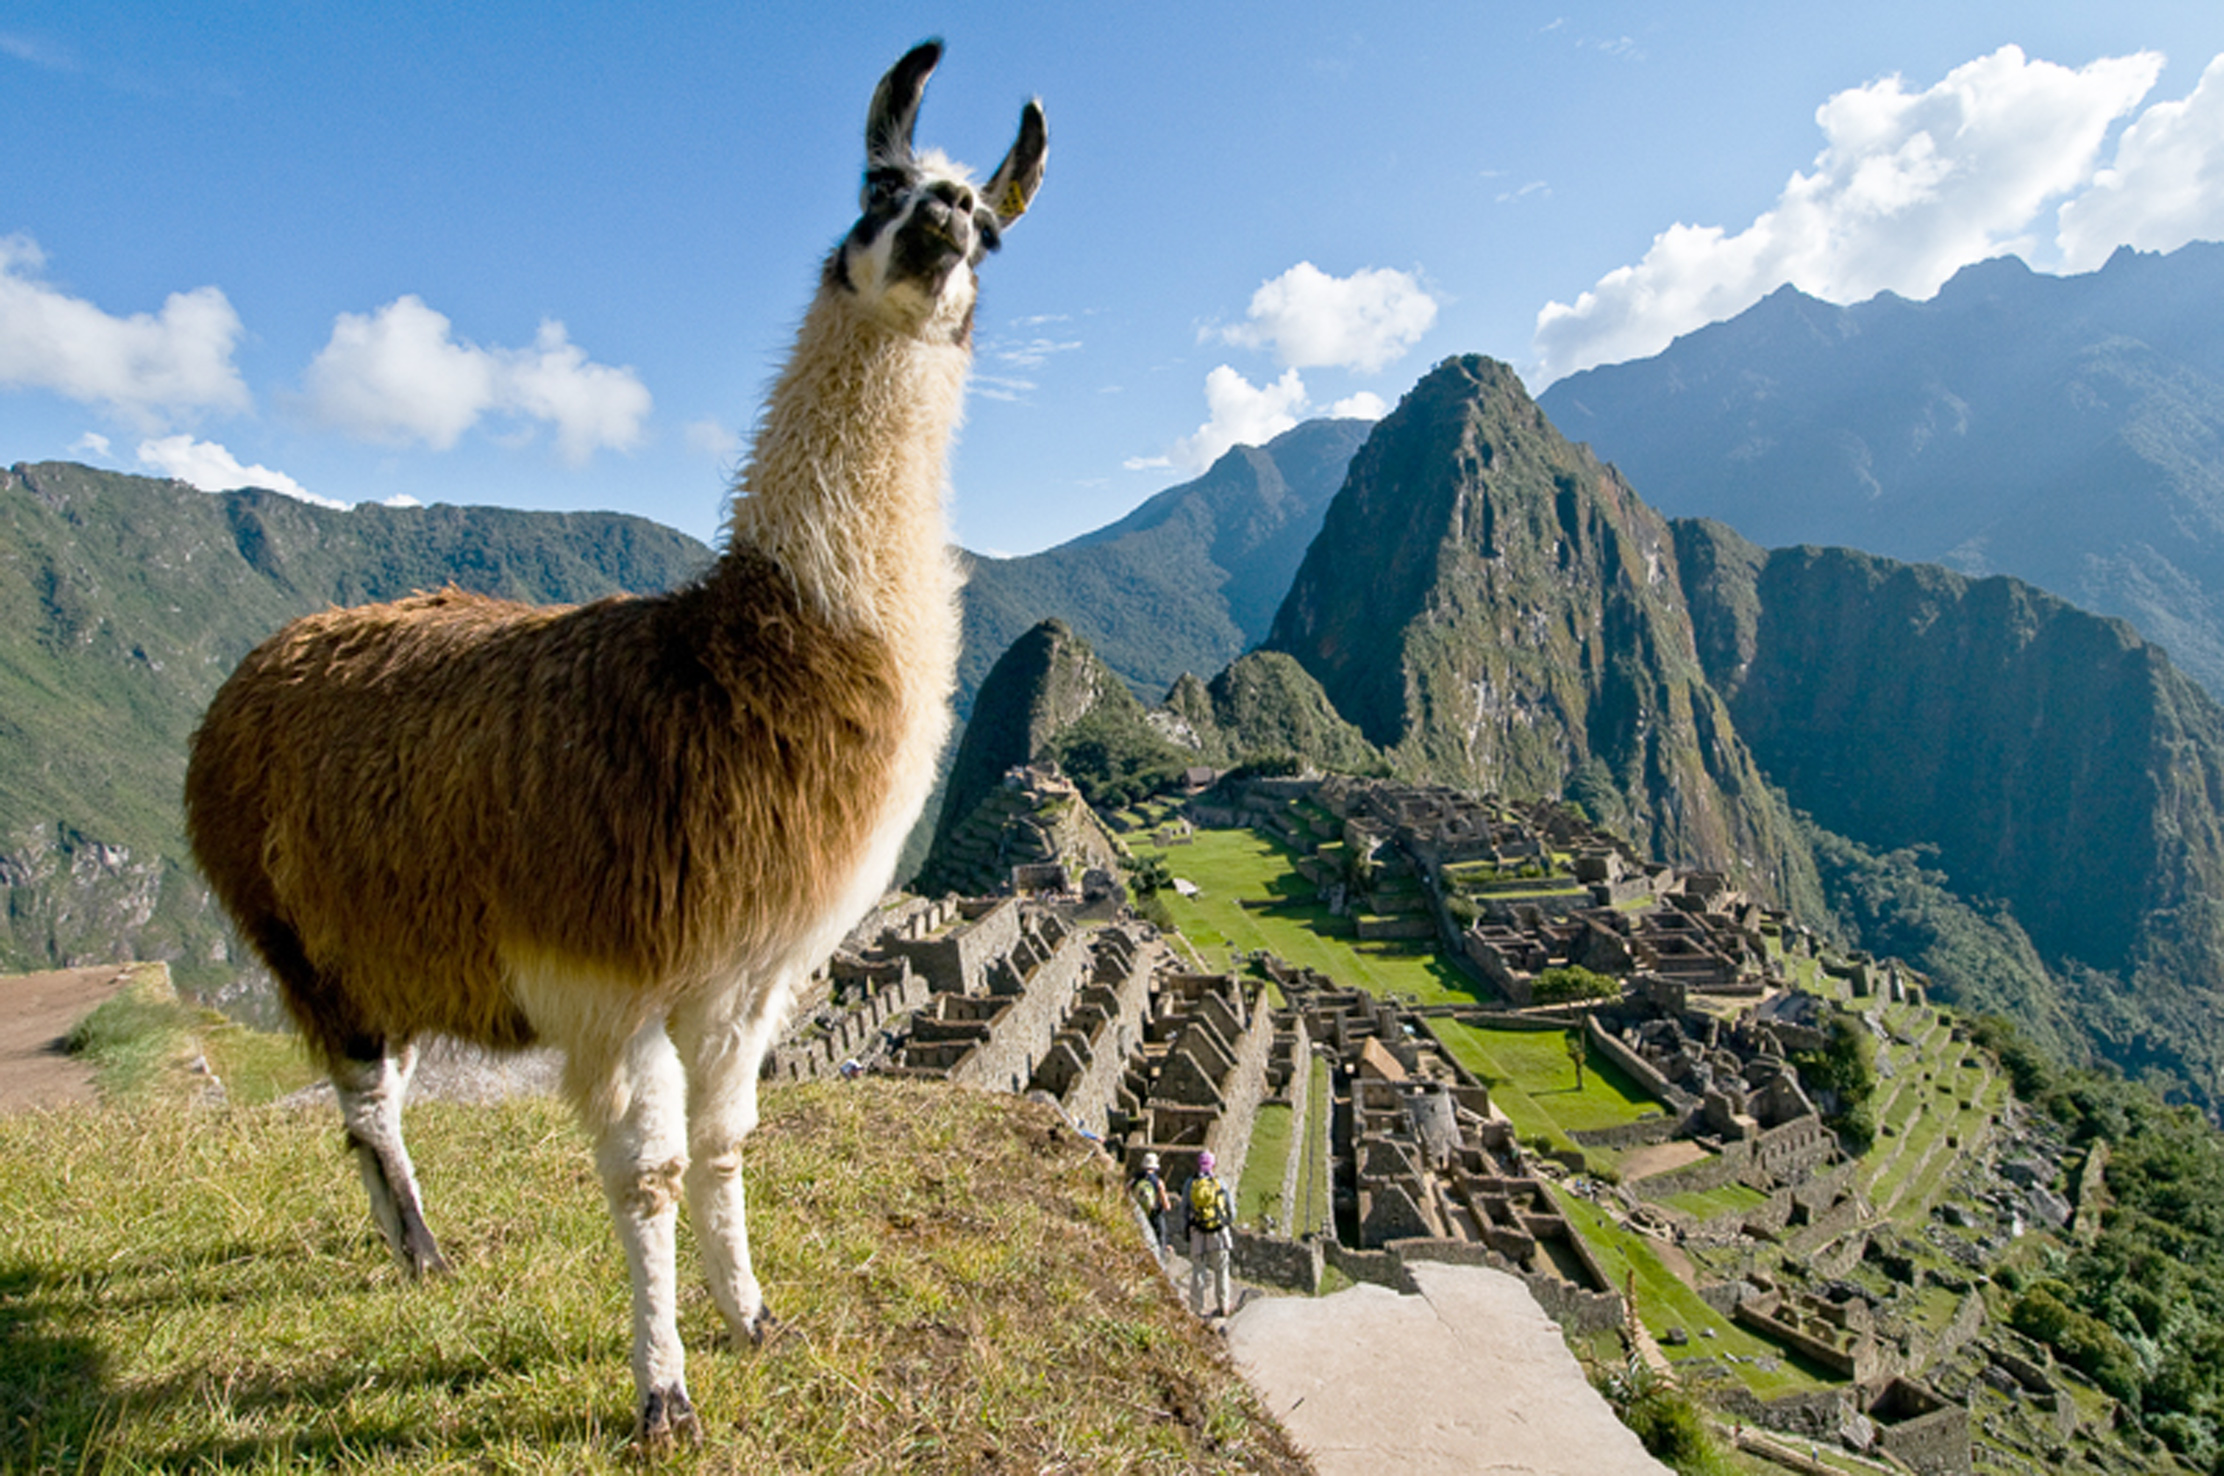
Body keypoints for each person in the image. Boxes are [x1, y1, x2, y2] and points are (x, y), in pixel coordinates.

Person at [1187, 1150, 1235, 1318]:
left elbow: (1184, 1210)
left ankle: (1195, 1308)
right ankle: (1223, 1306)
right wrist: (1227, 1222)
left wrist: (1187, 1229)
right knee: (1221, 1270)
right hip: (1218, 1233)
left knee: (1198, 1270)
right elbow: (1231, 1210)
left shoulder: (1190, 1184)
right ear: (1213, 1165)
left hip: (1198, 1233)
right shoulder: (1219, 1183)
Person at [1131, 1151, 1171, 1260]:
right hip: (1155, 1216)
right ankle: (1160, 1262)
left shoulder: (1135, 1179)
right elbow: (1167, 1206)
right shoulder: (1158, 1182)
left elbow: (1125, 1192)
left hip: (1138, 1215)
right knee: (1159, 1241)